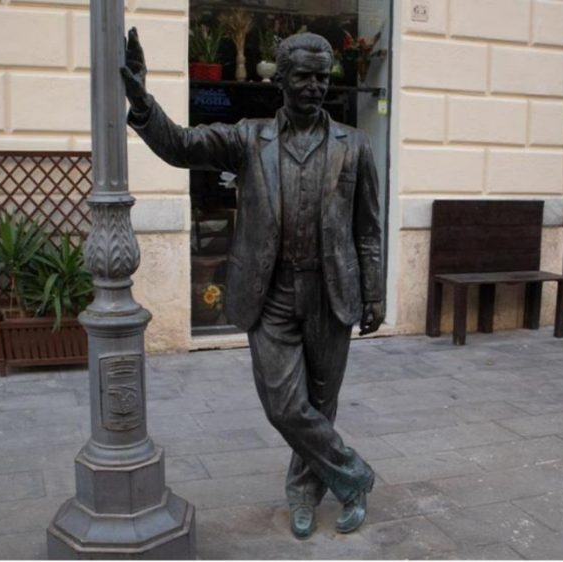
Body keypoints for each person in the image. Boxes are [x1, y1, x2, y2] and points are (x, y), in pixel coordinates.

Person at [121, 28, 385, 539]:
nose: (314, 86)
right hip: (271, 294)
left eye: (321, 77)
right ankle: (355, 475)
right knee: (285, 405)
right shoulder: (248, 138)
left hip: (332, 292)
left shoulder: (355, 145)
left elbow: (368, 228)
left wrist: (373, 292)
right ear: (281, 79)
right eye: (303, 76)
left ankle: (304, 494)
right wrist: (142, 102)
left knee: (321, 404)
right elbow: (181, 146)